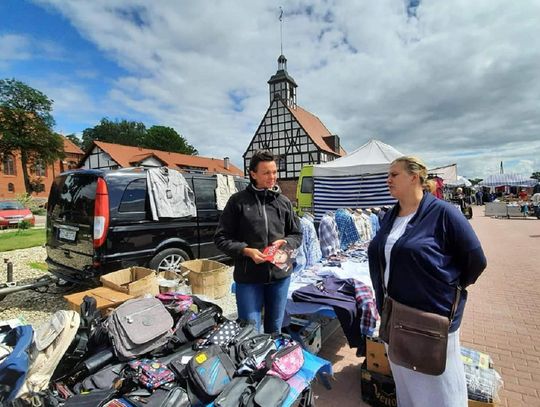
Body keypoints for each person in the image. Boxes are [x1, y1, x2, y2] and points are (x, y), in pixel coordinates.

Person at [368, 156, 487, 407]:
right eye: (387, 175)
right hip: (396, 317)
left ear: (414, 178)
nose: (387, 180)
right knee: (406, 384)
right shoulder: (390, 216)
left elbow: (475, 260)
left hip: (431, 320)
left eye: (394, 174)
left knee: (439, 389)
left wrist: (446, 288)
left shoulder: (444, 213)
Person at [214, 150, 302, 334]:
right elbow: (221, 238)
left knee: (275, 328)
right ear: (253, 174)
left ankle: (273, 362)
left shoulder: (284, 202)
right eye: (266, 173)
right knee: (249, 330)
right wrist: (247, 251)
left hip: (280, 276)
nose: (273, 177)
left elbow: (297, 234)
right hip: (249, 279)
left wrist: (285, 242)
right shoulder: (237, 202)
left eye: (274, 172)